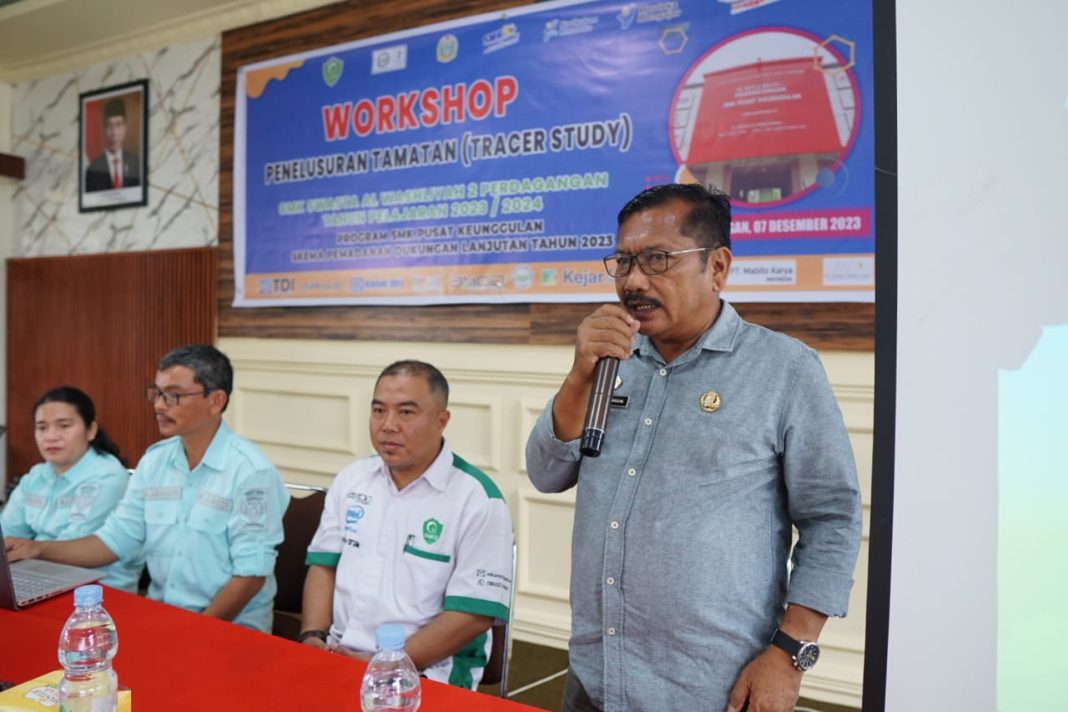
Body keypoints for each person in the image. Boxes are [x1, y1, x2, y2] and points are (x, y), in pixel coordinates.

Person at [525, 183, 862, 712]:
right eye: (624, 262)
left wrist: (790, 654)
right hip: (597, 676)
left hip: (710, 689)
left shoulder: (784, 370)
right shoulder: (610, 358)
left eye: (657, 260)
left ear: (718, 267)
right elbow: (546, 474)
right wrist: (577, 377)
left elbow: (833, 519)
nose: (634, 281)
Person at [5, 345, 289, 632]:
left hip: (230, 628)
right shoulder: (155, 462)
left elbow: (250, 575)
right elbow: (114, 541)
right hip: (161, 616)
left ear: (216, 401)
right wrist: (39, 548)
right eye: (157, 393)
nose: (159, 405)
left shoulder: (250, 471)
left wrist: (196, 630)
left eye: (173, 395)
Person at [300, 360, 513, 690]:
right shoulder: (352, 480)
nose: (387, 426)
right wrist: (312, 637)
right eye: (378, 410)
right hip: (338, 655)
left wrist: (384, 666)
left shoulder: (478, 500)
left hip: (429, 673)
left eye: (406, 413)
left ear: (442, 420)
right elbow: (323, 567)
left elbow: (472, 615)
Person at [1, 386, 142, 592]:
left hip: (100, 591)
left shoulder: (109, 477)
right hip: (37, 579)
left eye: (64, 426)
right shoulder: (36, 476)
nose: (51, 436)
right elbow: (7, 534)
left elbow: (72, 547)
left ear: (91, 430)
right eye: (42, 427)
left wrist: (31, 548)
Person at [84, 98, 141, 192]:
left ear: (125, 128)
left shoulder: (137, 164)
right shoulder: (93, 169)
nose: (114, 133)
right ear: (104, 129)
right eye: (109, 126)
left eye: (118, 125)